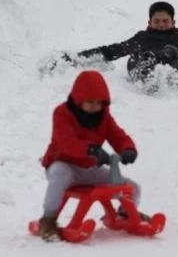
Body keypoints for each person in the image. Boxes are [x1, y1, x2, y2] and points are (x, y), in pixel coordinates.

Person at [37, 70, 144, 241]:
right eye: (90, 102)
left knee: (133, 188)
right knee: (59, 176)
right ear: (79, 100)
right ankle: (48, 220)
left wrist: (128, 149)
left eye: (99, 102)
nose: (95, 106)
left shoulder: (103, 116)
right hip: (64, 164)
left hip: (89, 169)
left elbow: (117, 135)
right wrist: (92, 149)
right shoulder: (61, 114)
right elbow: (66, 142)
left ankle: (126, 214)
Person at [48, 1, 178, 84]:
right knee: (140, 57)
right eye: (157, 21)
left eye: (165, 21)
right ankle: (147, 70)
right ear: (149, 23)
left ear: (173, 22)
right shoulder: (143, 37)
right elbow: (113, 51)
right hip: (142, 64)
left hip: (173, 68)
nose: (161, 25)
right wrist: (74, 58)